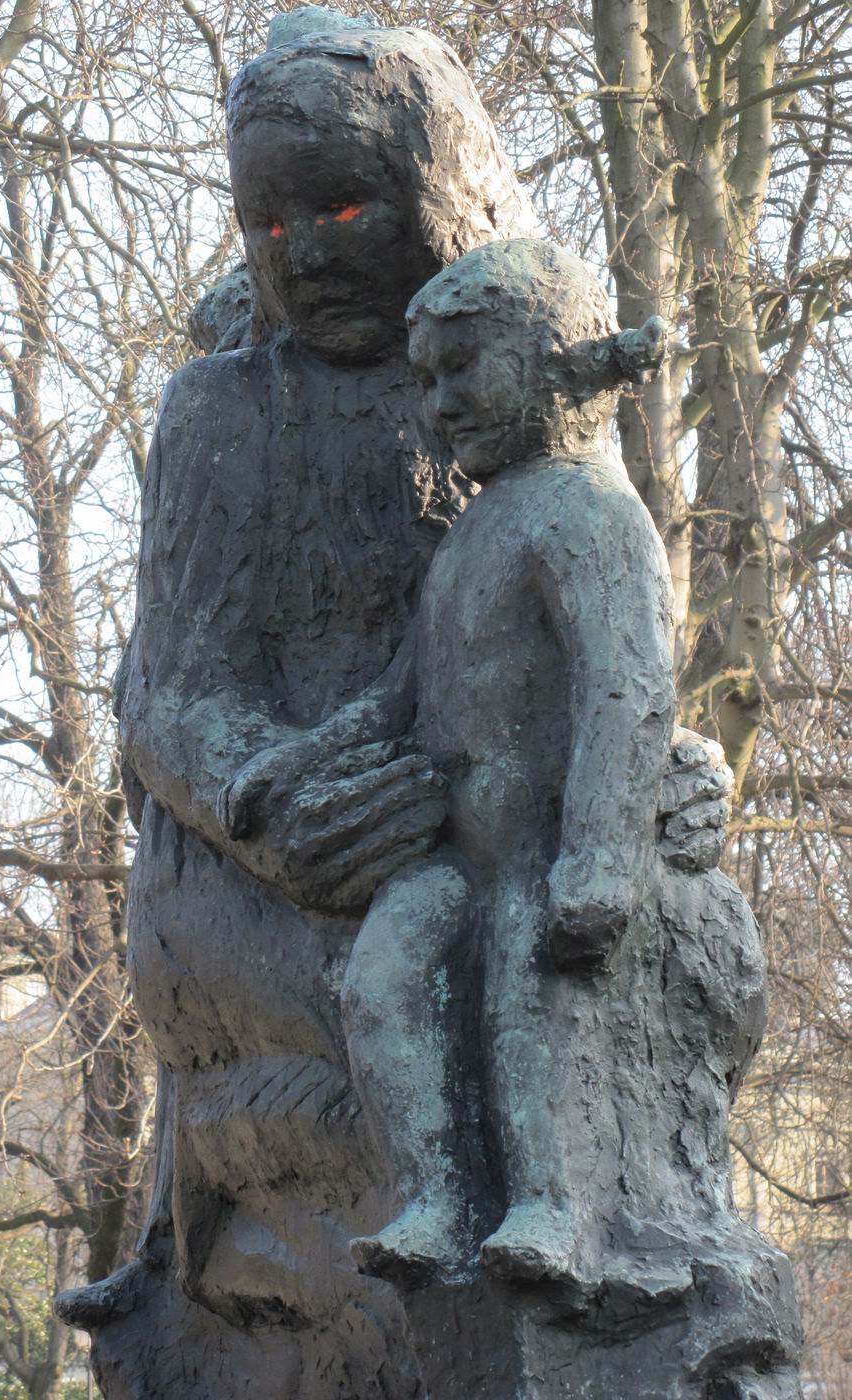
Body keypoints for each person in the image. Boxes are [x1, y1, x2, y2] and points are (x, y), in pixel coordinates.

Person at [57, 10, 738, 1391]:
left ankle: (616, 1284)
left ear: (443, 202)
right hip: (256, 871)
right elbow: (167, 692)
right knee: (405, 988)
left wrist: (672, 764)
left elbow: (603, 653)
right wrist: (271, 800)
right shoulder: (220, 412)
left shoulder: (522, 395)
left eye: (343, 208)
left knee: (686, 940)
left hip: (494, 830)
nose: (302, 252)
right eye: (268, 224)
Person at [254, 238, 675, 1288]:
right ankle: (436, 1196)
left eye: (461, 369)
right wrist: (300, 758)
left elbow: (627, 688)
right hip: (455, 846)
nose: (438, 406)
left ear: (554, 361)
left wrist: (600, 856)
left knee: (528, 1007)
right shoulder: (474, 532)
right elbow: (404, 691)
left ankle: (552, 1207)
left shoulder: (591, 513)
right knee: (381, 985)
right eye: (426, 379)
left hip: (538, 847)